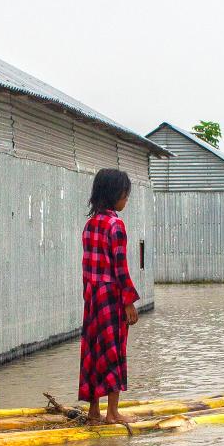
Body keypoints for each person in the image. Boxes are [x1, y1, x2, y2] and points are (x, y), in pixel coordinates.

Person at [80, 169, 141, 425]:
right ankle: (112, 413)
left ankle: (94, 411)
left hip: (92, 295)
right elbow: (120, 267)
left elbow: (87, 266)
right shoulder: (116, 225)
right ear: (115, 194)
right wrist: (128, 302)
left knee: (94, 350)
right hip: (111, 296)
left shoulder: (90, 224)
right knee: (114, 350)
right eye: (125, 195)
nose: (126, 200)